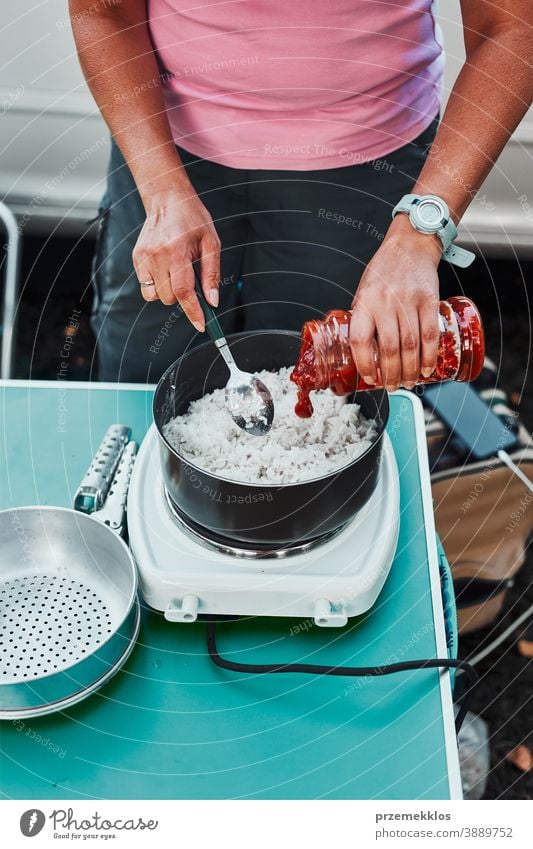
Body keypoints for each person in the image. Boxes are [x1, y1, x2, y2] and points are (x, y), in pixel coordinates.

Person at [70, 0, 532, 386]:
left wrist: (420, 233)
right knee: (144, 367)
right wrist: (163, 188)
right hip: (166, 149)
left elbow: (511, 28)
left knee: (327, 382)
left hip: (365, 163)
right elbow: (102, 11)